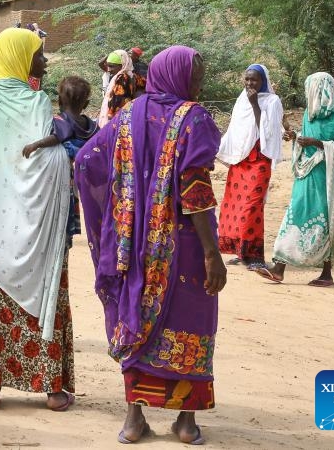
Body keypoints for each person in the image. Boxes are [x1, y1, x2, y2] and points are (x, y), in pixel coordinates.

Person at [75, 45, 225, 445]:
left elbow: (87, 159)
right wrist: (213, 254)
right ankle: (185, 421)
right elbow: (194, 190)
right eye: (196, 73)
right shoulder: (195, 118)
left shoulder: (129, 113)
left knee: (136, 316)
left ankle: (134, 419)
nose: (200, 81)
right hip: (187, 246)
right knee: (192, 322)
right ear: (178, 75)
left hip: (136, 246)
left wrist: (122, 213)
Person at [0, 28, 76, 413]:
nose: (44, 62)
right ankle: (53, 391)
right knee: (48, 297)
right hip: (38, 222)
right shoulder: (37, 101)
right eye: (39, 55)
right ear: (21, 56)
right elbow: (43, 159)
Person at [256, 72, 334, 287]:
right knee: (295, 214)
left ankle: (326, 273)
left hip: (327, 179)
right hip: (307, 176)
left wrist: (317, 143)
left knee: (326, 220)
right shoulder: (310, 113)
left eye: (309, 88)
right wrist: (296, 138)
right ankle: (279, 267)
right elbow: (307, 138)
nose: (306, 93)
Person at [217, 64, 285, 269]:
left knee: (252, 206)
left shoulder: (272, 101)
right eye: (247, 79)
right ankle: (241, 251)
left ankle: (254, 255)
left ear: (263, 81)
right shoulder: (241, 99)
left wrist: (255, 104)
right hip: (240, 160)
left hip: (259, 159)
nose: (249, 83)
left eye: (254, 80)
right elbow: (235, 130)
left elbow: (268, 132)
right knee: (234, 206)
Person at [21, 75, 100, 251]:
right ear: (86, 105)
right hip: (80, 179)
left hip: (62, 178)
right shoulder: (90, 126)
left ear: (58, 101)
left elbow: (56, 137)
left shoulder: (61, 121)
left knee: (61, 213)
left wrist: (36, 144)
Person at [97, 49, 137, 127]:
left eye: (112, 66)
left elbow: (118, 101)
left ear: (122, 65)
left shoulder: (122, 78)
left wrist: (110, 118)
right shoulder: (130, 75)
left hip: (116, 119)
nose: (109, 69)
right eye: (108, 65)